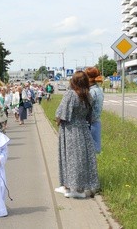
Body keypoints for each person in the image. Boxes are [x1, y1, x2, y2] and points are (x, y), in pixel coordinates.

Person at [54, 71, 99, 199]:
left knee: (69, 157)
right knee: (82, 159)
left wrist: (58, 121)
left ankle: (71, 188)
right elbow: (90, 117)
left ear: (73, 81)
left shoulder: (70, 94)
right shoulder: (88, 96)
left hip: (70, 130)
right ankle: (79, 187)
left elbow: (60, 114)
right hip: (84, 130)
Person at [85, 67, 104, 154]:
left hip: (90, 124)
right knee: (95, 150)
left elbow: (85, 109)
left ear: (88, 78)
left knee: (89, 151)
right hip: (96, 123)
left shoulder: (92, 92)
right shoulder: (98, 90)